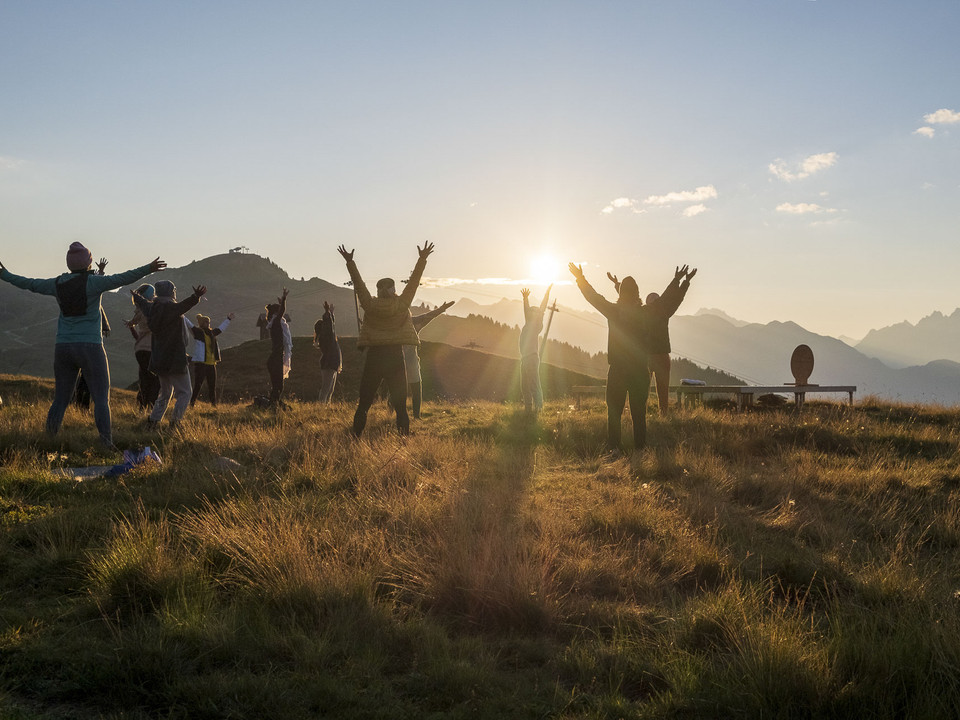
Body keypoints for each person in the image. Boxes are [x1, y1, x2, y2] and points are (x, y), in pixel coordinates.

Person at [0, 244, 164, 450]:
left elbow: (30, 283)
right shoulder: (94, 282)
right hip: (90, 347)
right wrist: (148, 268)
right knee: (101, 399)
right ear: (88, 262)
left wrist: (5, 275)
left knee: (60, 399)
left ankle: (48, 441)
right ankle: (106, 443)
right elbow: (123, 278)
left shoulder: (57, 283)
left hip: (63, 347)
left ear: (69, 264)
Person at [569, 262, 667, 454]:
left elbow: (593, 297)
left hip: (618, 370)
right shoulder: (645, 314)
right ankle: (640, 450)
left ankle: (614, 449)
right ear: (638, 293)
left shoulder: (614, 311)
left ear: (620, 294)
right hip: (640, 370)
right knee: (639, 414)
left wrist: (580, 278)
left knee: (614, 412)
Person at [338, 242, 434, 437]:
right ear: (392, 289)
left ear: (378, 290)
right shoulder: (402, 304)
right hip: (395, 357)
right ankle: (404, 439)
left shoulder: (369, 305)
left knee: (364, 402)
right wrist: (422, 259)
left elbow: (359, 285)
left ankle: (355, 436)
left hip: (374, 357)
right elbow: (414, 283)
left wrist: (350, 262)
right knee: (400, 405)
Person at [608, 266, 696, 415]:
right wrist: (684, 281)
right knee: (657, 390)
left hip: (649, 356)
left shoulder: (643, 314)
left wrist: (618, 285)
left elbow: (629, 302)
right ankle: (662, 413)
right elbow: (675, 299)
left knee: (642, 390)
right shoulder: (661, 313)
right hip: (658, 356)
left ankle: (642, 413)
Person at [132, 280, 206, 430]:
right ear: (171, 292)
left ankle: (153, 421)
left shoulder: (152, 308)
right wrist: (196, 296)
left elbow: (142, 303)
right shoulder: (172, 308)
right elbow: (185, 305)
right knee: (185, 392)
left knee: (165, 392)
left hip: (158, 358)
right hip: (175, 358)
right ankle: (175, 422)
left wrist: (136, 295)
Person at [404, 300, 455, 419]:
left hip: (401, 361)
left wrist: (442, 309)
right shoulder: (413, 323)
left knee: (400, 389)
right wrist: (442, 309)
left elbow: (429, 316)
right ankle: (416, 416)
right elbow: (429, 316)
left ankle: (402, 414)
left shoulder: (399, 324)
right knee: (416, 388)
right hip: (410, 361)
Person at [126, 283, 160, 411]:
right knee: (155, 380)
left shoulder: (138, 311)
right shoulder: (152, 309)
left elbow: (135, 330)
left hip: (140, 350)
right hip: (152, 349)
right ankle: (151, 408)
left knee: (144, 378)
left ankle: (142, 407)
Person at [189, 312, 234, 407]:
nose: (208, 324)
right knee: (198, 385)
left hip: (211, 364)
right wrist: (181, 314)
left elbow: (221, 329)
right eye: (206, 322)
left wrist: (228, 319)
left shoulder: (211, 333)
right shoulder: (198, 333)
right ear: (202, 323)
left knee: (212, 386)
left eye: (208, 322)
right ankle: (192, 403)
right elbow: (189, 324)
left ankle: (214, 405)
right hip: (201, 364)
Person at [519, 285, 552, 413]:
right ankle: (528, 409)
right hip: (525, 358)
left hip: (531, 358)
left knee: (534, 385)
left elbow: (543, 307)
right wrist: (525, 299)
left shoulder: (536, 324)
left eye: (534, 311)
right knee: (525, 386)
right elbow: (526, 310)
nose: (531, 311)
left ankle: (538, 409)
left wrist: (547, 293)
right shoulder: (528, 324)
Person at [265, 289, 291, 407]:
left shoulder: (276, 323)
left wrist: (281, 304)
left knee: (277, 385)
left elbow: (281, 312)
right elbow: (282, 312)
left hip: (275, 358)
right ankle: (274, 405)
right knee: (278, 385)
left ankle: (274, 404)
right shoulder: (276, 322)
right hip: (275, 359)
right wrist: (284, 299)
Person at [314, 301, 342, 403]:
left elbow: (331, 326)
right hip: (328, 364)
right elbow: (330, 326)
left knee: (330, 390)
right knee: (326, 389)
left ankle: (325, 407)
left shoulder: (327, 337)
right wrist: (327, 312)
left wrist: (331, 314)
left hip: (331, 364)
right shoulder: (326, 337)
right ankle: (321, 408)